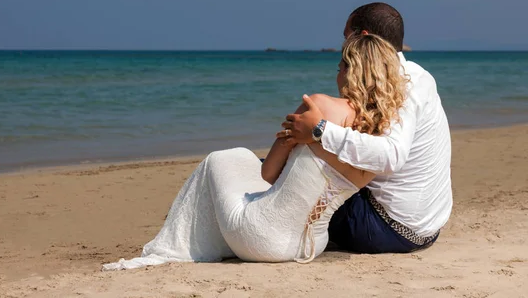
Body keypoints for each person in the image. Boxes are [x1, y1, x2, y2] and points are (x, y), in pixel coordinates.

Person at [103, 33, 408, 271]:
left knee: (222, 159)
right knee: (245, 169)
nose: (337, 72)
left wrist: (293, 141)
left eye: (341, 65)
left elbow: (268, 172)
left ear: (352, 70)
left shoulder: (319, 106)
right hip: (311, 245)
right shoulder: (378, 139)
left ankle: (190, 244)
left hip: (261, 238)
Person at [279, 2, 452, 254]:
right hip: (420, 229)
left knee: (291, 174)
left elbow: (391, 156)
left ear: (362, 37)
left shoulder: (407, 80)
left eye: (345, 37)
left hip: (387, 226)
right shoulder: (402, 77)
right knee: (296, 168)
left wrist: (319, 131)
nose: (342, 46)